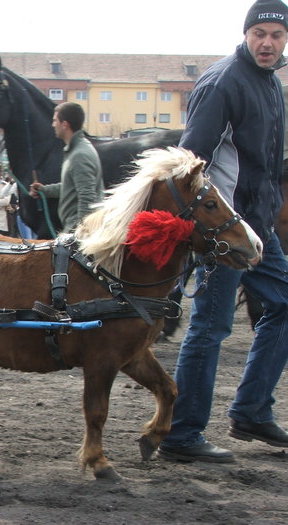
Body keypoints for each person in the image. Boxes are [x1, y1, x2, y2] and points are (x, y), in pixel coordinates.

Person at [158, 0, 288, 463]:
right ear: (247, 34)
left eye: (276, 34)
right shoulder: (223, 82)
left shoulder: (270, 84)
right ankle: (181, 433)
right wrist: (201, 228)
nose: (267, 42)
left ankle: (251, 409)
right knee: (211, 327)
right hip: (224, 231)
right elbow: (190, 162)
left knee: (284, 304)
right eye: (260, 34)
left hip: (259, 226)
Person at [28, 102, 103, 233]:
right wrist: (44, 190)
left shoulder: (80, 155)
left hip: (77, 232)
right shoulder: (77, 150)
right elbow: (71, 186)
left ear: (65, 124)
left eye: (55, 120)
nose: (52, 125)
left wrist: (78, 236)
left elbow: (87, 198)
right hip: (74, 229)